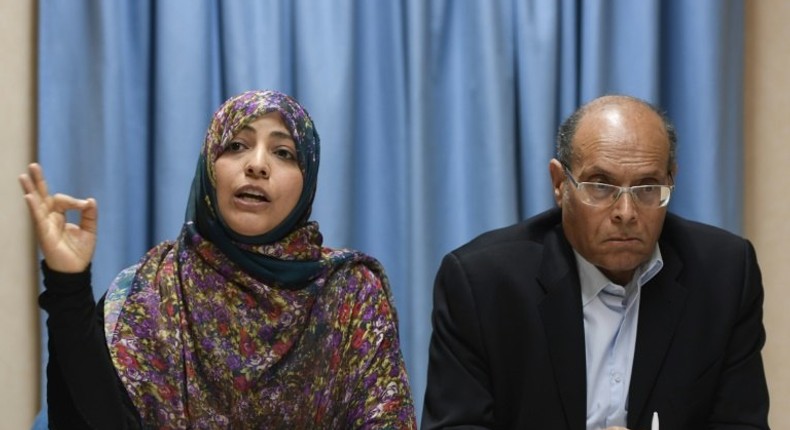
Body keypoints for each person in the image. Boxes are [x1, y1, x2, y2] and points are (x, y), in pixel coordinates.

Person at [20, 89, 416, 429]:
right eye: (236, 145)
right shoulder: (150, 291)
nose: (257, 164)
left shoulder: (349, 292)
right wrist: (68, 282)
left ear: (307, 180)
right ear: (210, 168)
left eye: (283, 152)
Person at [421, 95, 770, 430]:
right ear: (560, 184)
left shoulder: (723, 275)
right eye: (601, 186)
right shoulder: (482, 284)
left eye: (648, 187)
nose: (626, 213)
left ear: (671, 181)